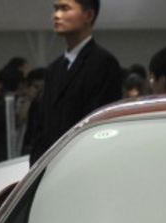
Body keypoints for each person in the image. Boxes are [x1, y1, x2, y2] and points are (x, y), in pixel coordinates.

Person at [27, 0, 122, 162]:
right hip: (49, 164)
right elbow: (42, 126)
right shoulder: (54, 69)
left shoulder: (103, 63)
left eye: (65, 8)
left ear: (88, 15)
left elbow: (99, 123)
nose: (56, 15)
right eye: (55, 9)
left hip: (84, 161)